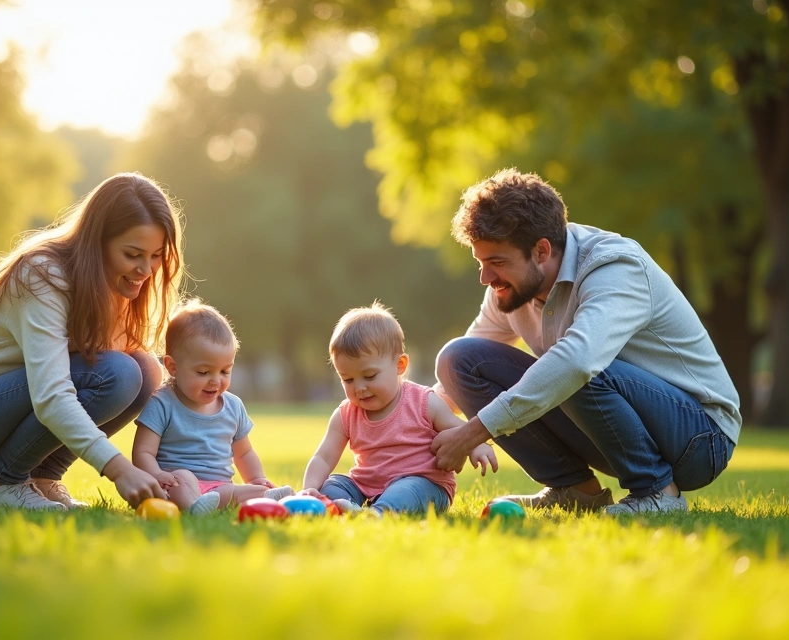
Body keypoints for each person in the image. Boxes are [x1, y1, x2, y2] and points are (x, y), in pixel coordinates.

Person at [431, 168, 740, 515]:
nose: (486, 277)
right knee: (457, 359)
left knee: (576, 368)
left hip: (699, 438)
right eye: (481, 262)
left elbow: (577, 362)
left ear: (541, 250)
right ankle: (574, 490)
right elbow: (457, 376)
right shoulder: (511, 287)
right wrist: (413, 413)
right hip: (613, 426)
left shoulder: (615, 267)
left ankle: (658, 493)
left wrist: (474, 432)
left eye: (497, 262)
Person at [0, 173, 180, 511]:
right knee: (118, 373)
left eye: (156, 255)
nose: (147, 269)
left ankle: (42, 480)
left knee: (144, 370)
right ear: (97, 241)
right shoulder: (43, 274)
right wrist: (117, 468)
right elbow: (51, 393)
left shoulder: (110, 286)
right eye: (133, 254)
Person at [300, 303, 498, 516]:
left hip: (424, 485)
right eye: (347, 379)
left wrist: (477, 446)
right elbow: (323, 457)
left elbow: (459, 430)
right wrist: (309, 488)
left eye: (369, 376)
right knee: (333, 485)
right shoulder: (346, 414)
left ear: (400, 365)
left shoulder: (424, 402)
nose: (359, 388)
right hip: (367, 486)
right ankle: (340, 507)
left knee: (407, 489)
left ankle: (378, 514)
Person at [132, 300, 294, 515]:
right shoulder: (162, 403)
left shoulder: (233, 406)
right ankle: (193, 506)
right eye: (203, 372)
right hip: (172, 484)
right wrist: (157, 474)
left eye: (225, 371)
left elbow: (244, 453)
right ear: (172, 367)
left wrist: (256, 478)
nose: (215, 381)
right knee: (184, 478)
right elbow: (142, 452)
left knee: (237, 491)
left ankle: (265, 496)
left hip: (219, 488)